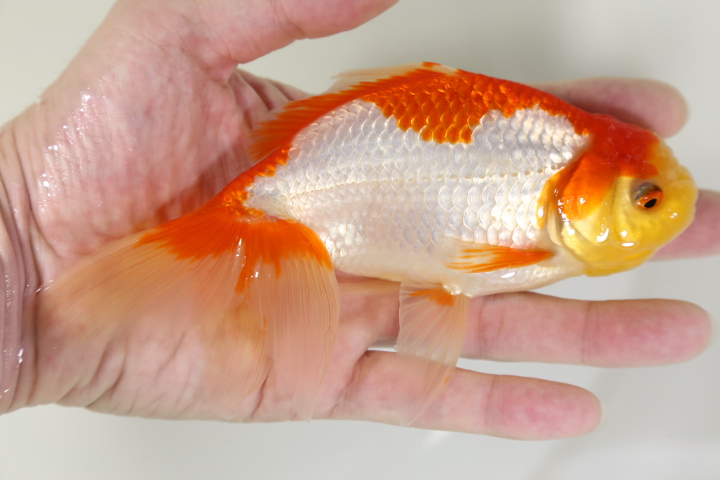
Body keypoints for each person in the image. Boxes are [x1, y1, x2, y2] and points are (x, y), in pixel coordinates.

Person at [0, 0, 717, 439]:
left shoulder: (552, 156)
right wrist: (21, 237)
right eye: (647, 200)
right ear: (580, 188)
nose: (663, 209)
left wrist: (25, 247)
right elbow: (463, 272)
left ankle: (66, 309)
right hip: (312, 174)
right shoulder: (540, 202)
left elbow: (450, 283)